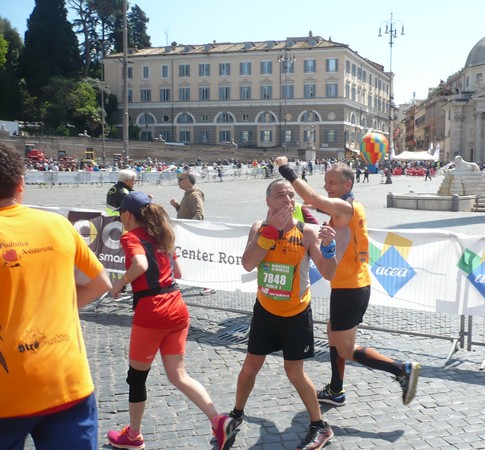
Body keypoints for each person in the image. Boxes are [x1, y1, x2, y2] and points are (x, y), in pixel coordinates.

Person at [275, 156, 421, 408]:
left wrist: (285, 169)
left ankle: (400, 369)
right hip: (349, 285)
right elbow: (319, 207)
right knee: (333, 333)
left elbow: (314, 199)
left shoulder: (345, 209)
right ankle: (335, 389)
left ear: (348, 184)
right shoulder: (348, 206)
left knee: (345, 348)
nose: (327, 186)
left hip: (350, 288)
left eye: (331, 182)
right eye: (325, 182)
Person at [0, 142, 112, 449]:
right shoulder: (58, 225)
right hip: (66, 381)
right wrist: (56, 307)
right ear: (21, 185)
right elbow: (101, 282)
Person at [106, 192, 234, 450]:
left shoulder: (130, 237)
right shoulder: (162, 237)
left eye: (121, 214)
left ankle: (133, 436)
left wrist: (119, 284)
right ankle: (217, 420)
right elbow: (177, 272)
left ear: (128, 215)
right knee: (179, 375)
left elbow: (140, 264)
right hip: (177, 307)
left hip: (152, 312)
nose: (121, 218)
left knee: (137, 378)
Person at [228, 179, 338, 450]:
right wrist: (271, 232)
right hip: (265, 310)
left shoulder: (307, 233)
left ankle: (319, 426)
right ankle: (236, 414)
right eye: (281, 196)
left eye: (291, 195)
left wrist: (329, 249)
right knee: (250, 366)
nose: (288, 200)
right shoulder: (259, 228)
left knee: (294, 372)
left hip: (295, 314)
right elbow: (248, 263)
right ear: (268, 202)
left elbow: (330, 273)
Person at [170, 171, 215, 296]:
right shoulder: (188, 194)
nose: (179, 180)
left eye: (181, 178)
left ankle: (209, 285)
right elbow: (187, 212)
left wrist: (189, 229)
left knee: (199, 259)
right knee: (185, 257)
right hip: (186, 233)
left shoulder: (194, 195)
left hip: (191, 234)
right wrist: (177, 206)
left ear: (189, 181)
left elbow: (199, 214)